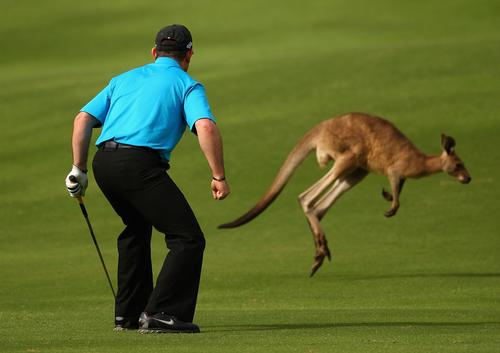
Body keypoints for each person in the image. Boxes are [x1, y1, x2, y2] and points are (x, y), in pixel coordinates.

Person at [65, 24, 230, 334]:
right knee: (187, 238)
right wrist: (218, 176)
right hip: (139, 164)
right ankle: (162, 313)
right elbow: (205, 126)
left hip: (104, 163)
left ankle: (127, 315)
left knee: (136, 229)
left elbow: (83, 119)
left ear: (154, 53)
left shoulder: (123, 79)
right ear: (189, 55)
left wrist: (79, 169)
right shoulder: (187, 84)